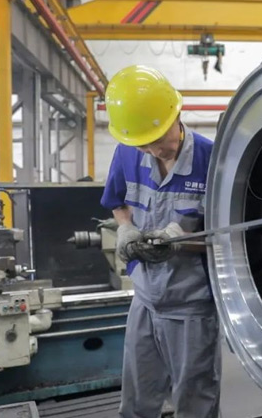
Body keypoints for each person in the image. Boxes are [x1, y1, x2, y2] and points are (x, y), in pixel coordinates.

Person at [100, 65, 221, 418]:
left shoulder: (212, 160)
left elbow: (231, 237)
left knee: (194, 402)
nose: (153, 151)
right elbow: (117, 202)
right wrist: (126, 228)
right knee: (137, 400)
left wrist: (182, 241)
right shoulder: (127, 152)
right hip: (145, 301)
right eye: (144, 144)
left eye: (158, 140)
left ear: (176, 115)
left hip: (192, 306)